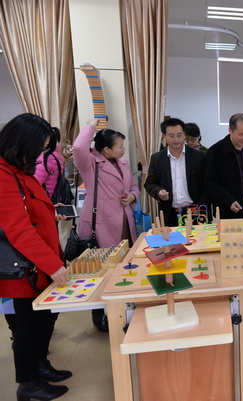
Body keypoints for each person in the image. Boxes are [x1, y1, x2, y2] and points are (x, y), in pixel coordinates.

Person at [0, 113, 72, 401]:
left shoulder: (18, 171)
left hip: (39, 263)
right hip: (27, 267)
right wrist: (53, 265)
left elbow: (30, 212)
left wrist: (48, 212)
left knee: (45, 318)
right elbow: (18, 229)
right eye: (39, 149)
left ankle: (40, 365)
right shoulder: (3, 175)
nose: (40, 156)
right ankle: (28, 383)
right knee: (28, 326)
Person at [73, 118, 139, 332]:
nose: (123, 149)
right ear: (106, 149)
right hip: (101, 223)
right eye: (120, 146)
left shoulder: (123, 163)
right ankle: (100, 313)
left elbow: (133, 186)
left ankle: (125, 307)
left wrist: (132, 196)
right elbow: (78, 147)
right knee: (102, 269)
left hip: (124, 221)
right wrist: (91, 126)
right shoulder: (90, 163)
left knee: (125, 265)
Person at [145, 118, 207, 227]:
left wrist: (200, 204)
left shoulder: (199, 157)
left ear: (184, 134)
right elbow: (150, 183)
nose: (176, 139)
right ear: (164, 136)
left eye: (179, 135)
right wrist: (159, 192)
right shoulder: (157, 158)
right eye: (171, 136)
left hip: (195, 211)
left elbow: (208, 183)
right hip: (169, 213)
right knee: (171, 239)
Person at [205, 113, 243, 219]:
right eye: (241, 134)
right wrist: (228, 201)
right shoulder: (216, 151)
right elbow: (210, 182)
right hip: (230, 207)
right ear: (230, 130)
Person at [35, 127, 65, 201]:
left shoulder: (46, 159)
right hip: (54, 196)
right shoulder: (58, 156)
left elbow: (35, 182)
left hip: (45, 197)